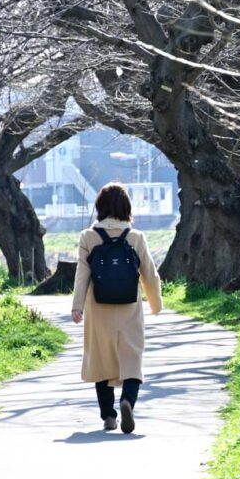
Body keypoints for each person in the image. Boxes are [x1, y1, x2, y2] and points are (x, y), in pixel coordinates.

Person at [71, 183, 162, 433]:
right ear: (126, 207)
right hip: (129, 307)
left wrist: (77, 307)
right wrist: (155, 304)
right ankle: (127, 401)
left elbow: (82, 274)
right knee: (132, 358)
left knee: (101, 360)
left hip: (98, 307)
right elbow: (149, 274)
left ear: (100, 207)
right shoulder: (136, 237)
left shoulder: (88, 236)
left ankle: (109, 416)